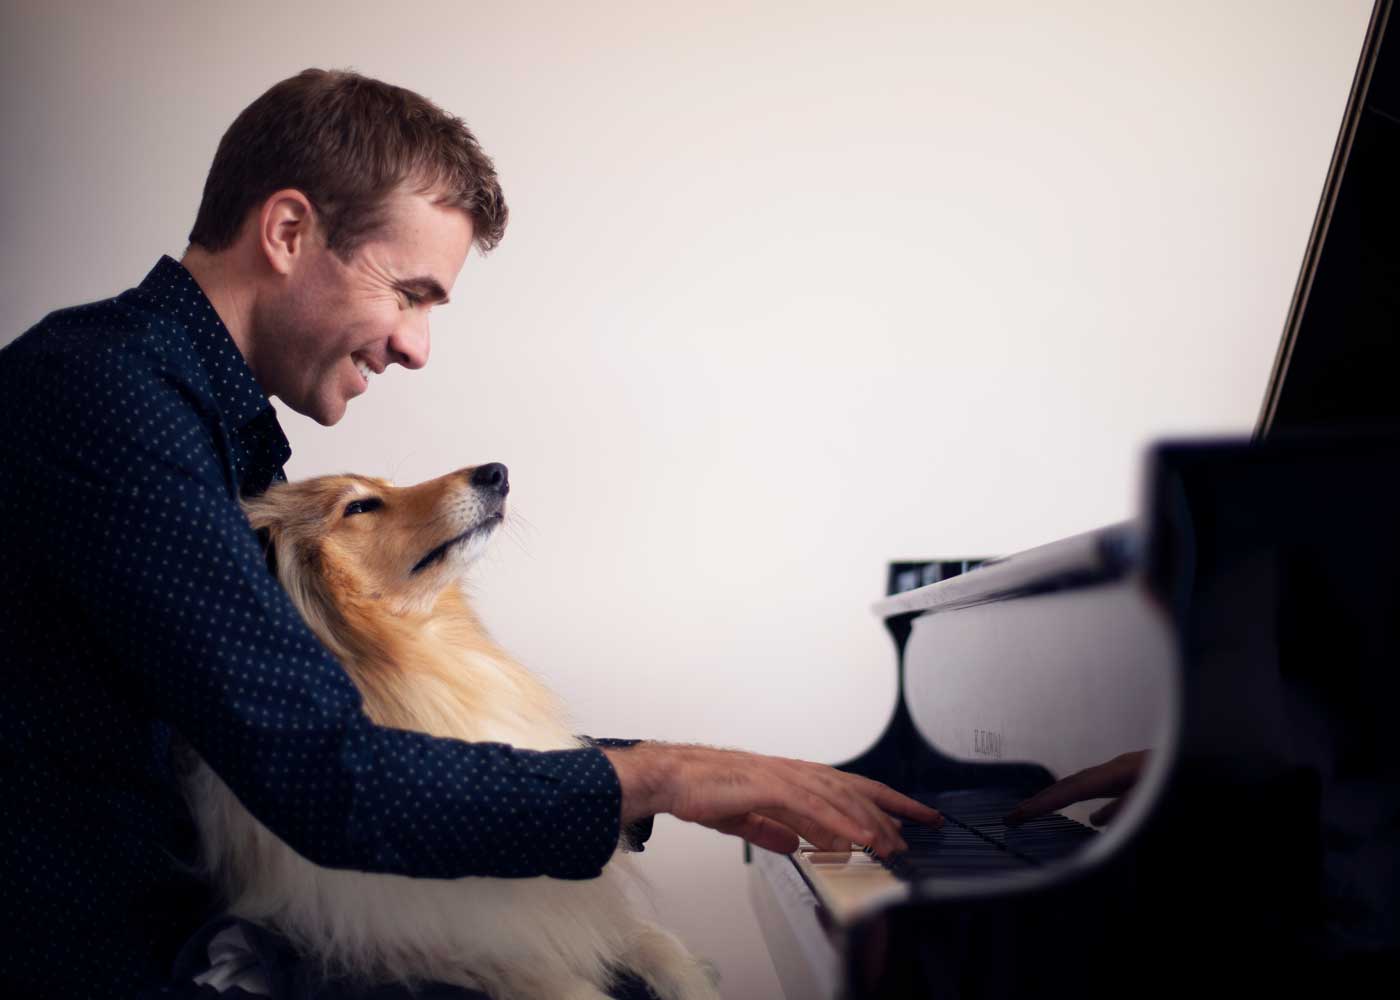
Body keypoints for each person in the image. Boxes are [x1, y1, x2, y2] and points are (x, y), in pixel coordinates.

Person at [0, 68, 940, 1000]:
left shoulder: (192, 420)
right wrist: (662, 778)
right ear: (288, 232)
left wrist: (699, 774)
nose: (415, 345)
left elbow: (344, 733)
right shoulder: (108, 400)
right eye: (407, 293)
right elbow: (328, 779)